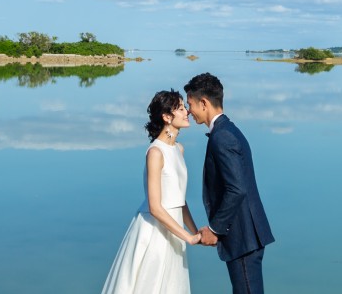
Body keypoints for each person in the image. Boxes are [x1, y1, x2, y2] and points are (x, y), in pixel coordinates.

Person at [101, 89, 202, 294]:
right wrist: (188, 237)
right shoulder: (155, 152)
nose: (187, 112)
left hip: (175, 228)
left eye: (185, 107)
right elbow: (155, 207)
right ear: (166, 117)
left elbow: (179, 200)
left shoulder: (179, 149)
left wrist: (194, 231)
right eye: (180, 108)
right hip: (155, 230)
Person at [185, 72, 274, 294]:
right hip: (245, 235)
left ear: (203, 103)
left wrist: (215, 229)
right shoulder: (228, 130)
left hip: (242, 236)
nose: (189, 111)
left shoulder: (222, 137)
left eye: (190, 104)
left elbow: (237, 189)